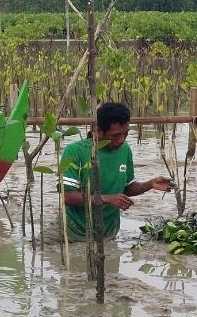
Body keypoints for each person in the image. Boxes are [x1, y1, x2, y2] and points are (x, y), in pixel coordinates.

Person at [61, 101, 172, 242]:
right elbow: (67, 197)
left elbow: (126, 188)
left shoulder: (125, 150)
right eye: (115, 135)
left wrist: (150, 184)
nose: (121, 140)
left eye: (125, 134)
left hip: (108, 234)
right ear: (98, 130)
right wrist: (106, 199)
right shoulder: (75, 151)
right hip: (73, 235)